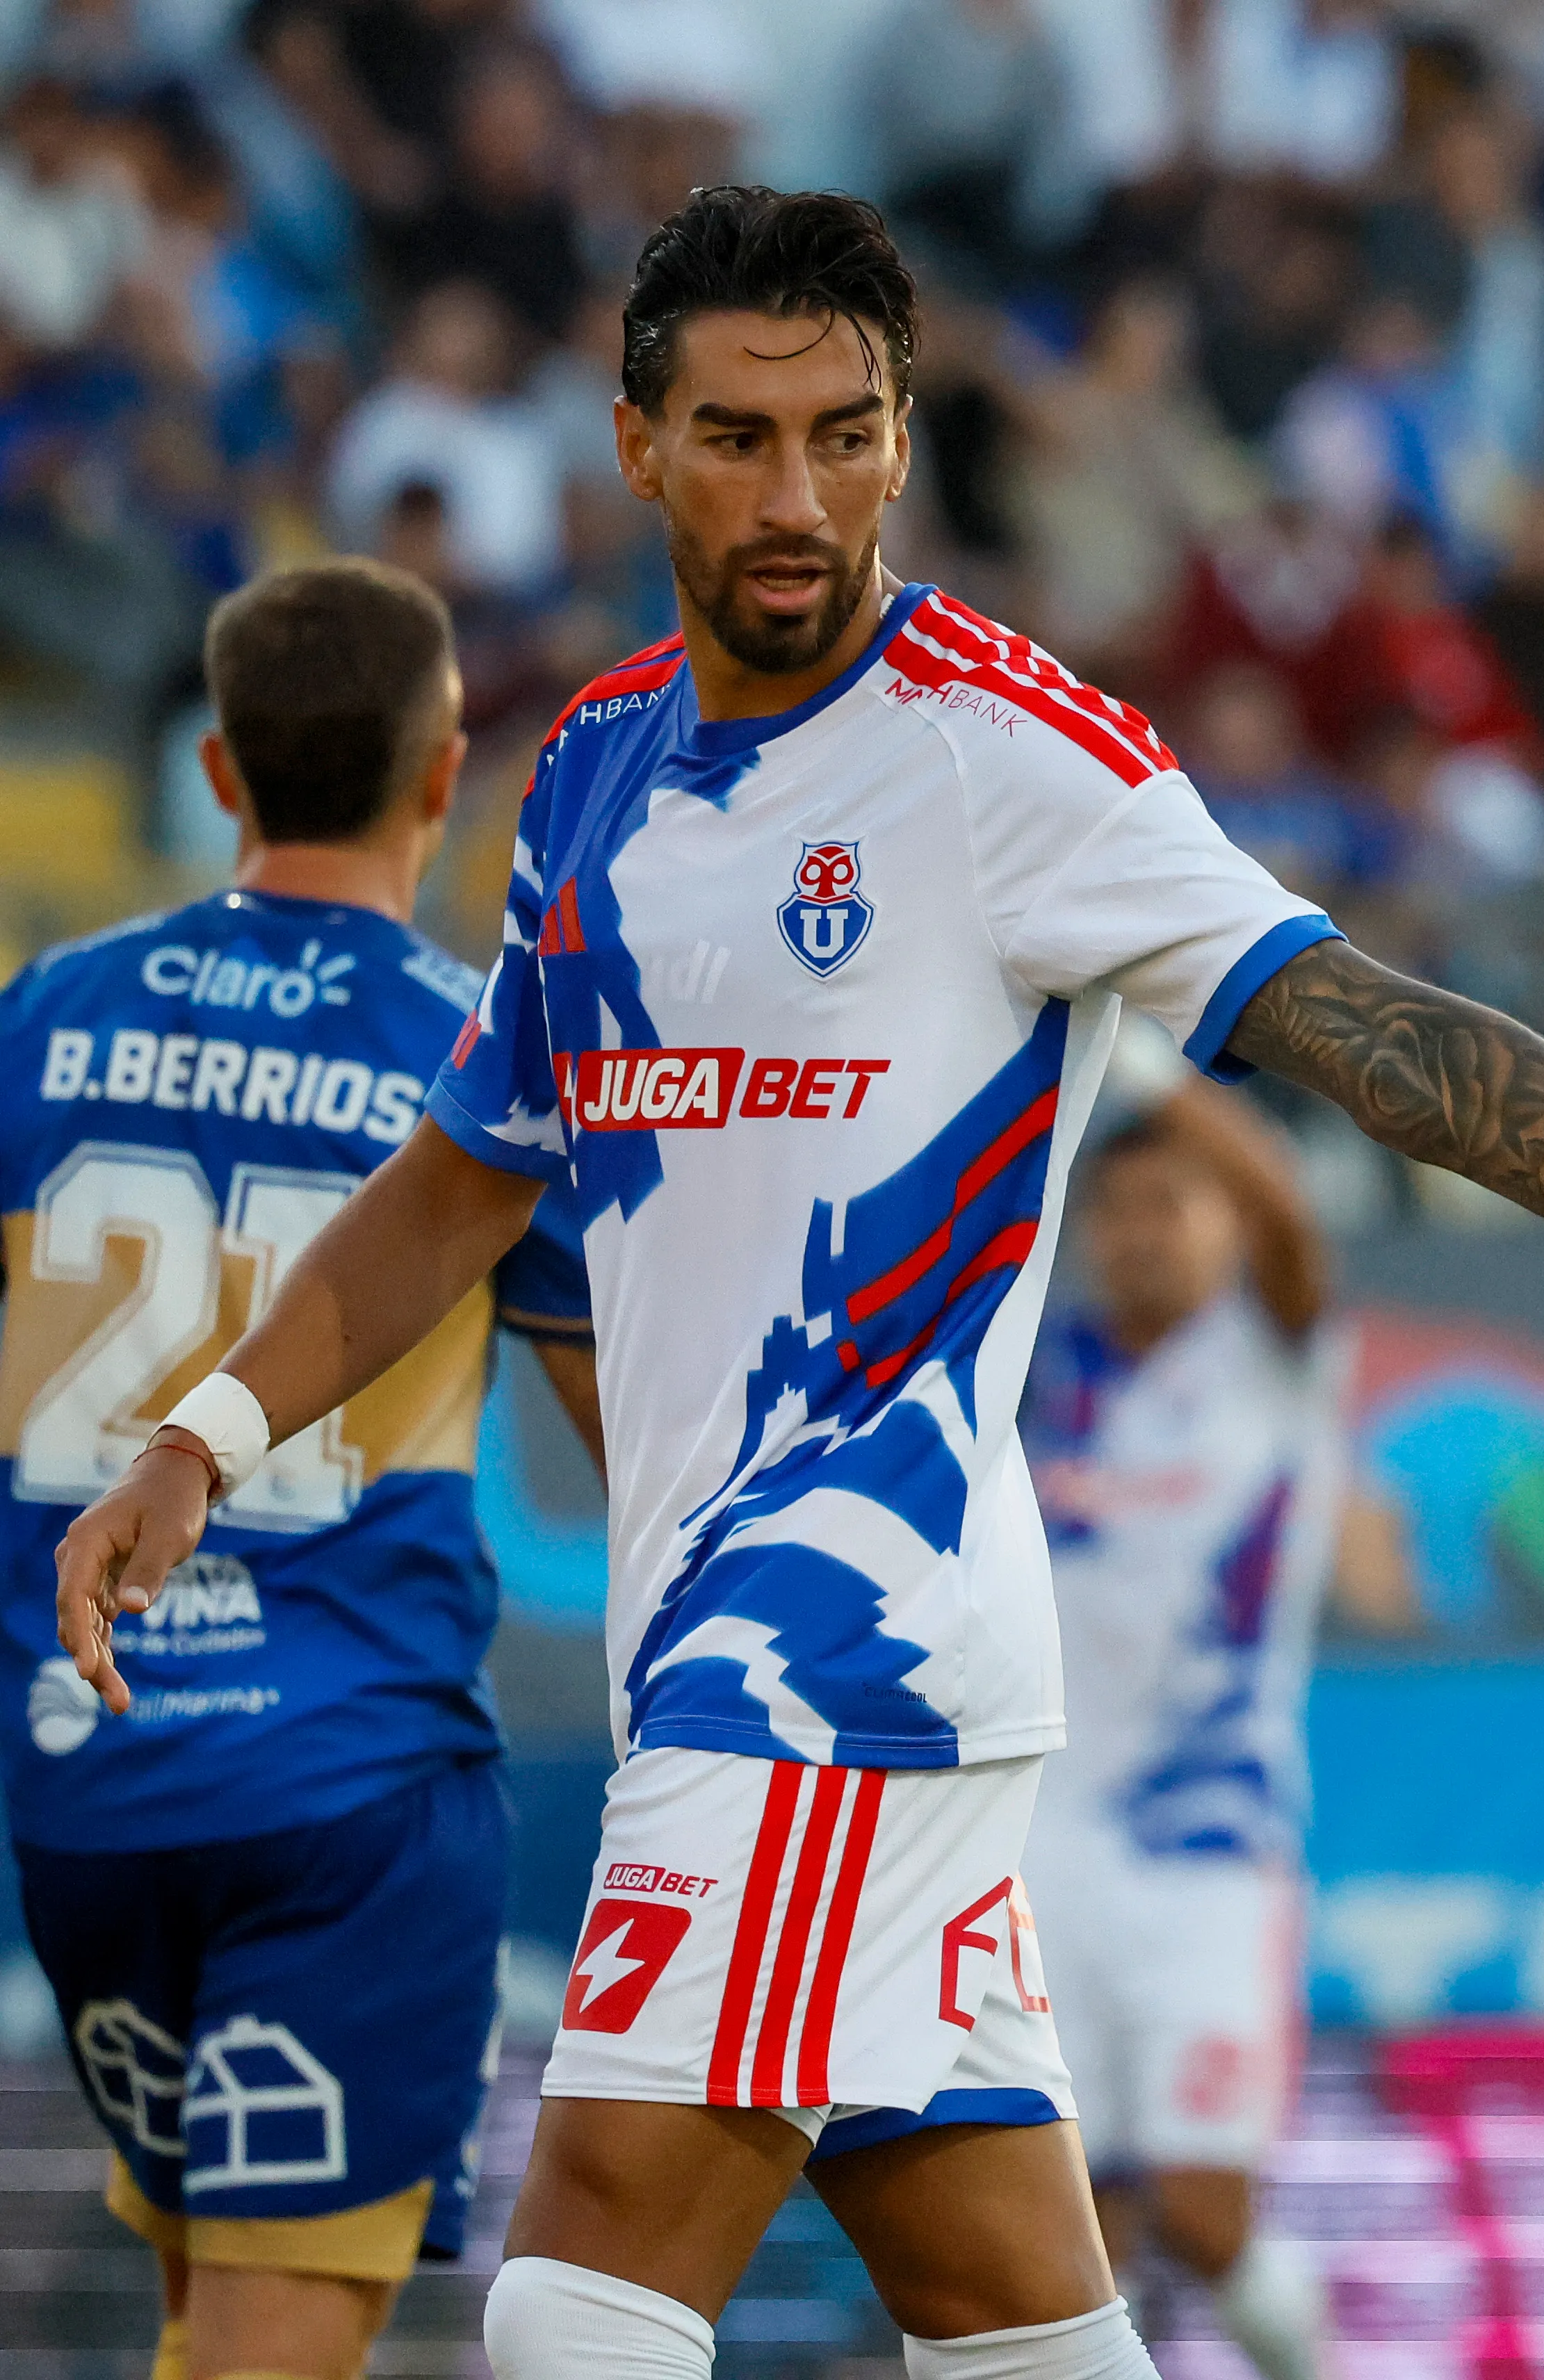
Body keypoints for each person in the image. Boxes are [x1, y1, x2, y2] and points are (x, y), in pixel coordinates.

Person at [45, 185, 1544, 2380]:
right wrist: (211, 1429)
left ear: (906, 441)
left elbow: (1374, 1034)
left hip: (834, 1633)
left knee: (575, 2305)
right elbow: (466, 1178)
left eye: (847, 434)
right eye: (737, 437)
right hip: (777, 1652)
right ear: (634, 445)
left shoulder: (1011, 756)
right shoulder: (596, 787)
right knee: (1017, 2327)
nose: (797, 493)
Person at [0, 557, 602, 2380]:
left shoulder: (36, 1016)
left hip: (87, 1782)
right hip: (348, 1789)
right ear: (442, 782)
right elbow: (622, 1438)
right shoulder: (480, 1066)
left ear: (216, 772)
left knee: (211, 2323)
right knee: (273, 2351)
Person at [1018, 1082, 1348, 2380]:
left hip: (1207, 1843)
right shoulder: (1043, 1379)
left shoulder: (1271, 1354)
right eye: (1117, 1210)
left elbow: (1292, 1222)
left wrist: (1151, 1072)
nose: (1140, 1233)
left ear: (1218, 1222)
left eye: (1169, 1204)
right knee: (1070, 2240)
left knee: (1206, 2218)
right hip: (1039, 1847)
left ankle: (1311, 2362)